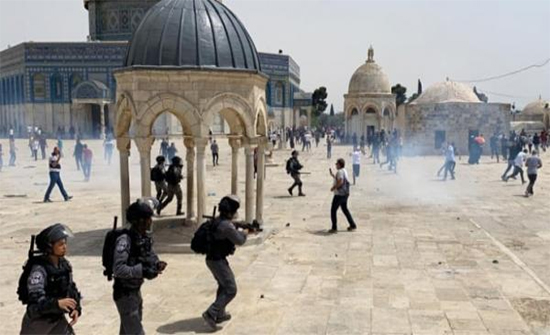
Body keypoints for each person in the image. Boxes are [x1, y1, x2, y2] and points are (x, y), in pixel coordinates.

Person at [113, 200, 167, 335]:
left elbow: (149, 254)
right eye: (148, 219)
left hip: (135, 291)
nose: (150, 222)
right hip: (125, 294)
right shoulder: (125, 240)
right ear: (139, 221)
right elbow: (118, 269)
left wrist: (156, 264)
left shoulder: (143, 237)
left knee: (128, 330)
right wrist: (141, 270)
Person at [19, 224, 82, 334]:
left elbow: (70, 288)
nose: (64, 247)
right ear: (49, 247)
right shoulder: (38, 270)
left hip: (57, 319)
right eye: (60, 244)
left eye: (65, 243)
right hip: (38, 323)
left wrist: (75, 308)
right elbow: (36, 302)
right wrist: (56, 304)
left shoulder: (63, 265)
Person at [202, 195, 252, 330]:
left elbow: (227, 225)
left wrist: (239, 224)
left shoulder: (220, 221)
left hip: (212, 259)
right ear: (231, 211)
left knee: (223, 285)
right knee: (231, 289)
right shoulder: (227, 226)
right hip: (217, 261)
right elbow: (239, 240)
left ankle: (220, 313)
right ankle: (211, 313)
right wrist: (245, 232)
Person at [328, 158, 357, 233]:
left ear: (340, 164)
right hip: (345, 193)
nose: (336, 165)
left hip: (339, 194)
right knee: (345, 209)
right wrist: (333, 175)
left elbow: (340, 181)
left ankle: (334, 228)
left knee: (333, 210)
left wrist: (333, 188)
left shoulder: (340, 172)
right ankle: (353, 225)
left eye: (336, 164)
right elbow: (340, 179)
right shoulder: (344, 170)